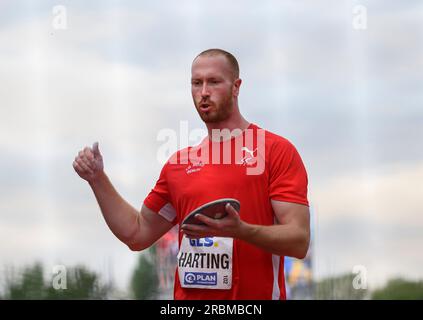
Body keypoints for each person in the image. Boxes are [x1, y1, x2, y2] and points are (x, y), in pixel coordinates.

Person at [73, 48, 310, 300]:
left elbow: (298, 240)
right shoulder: (180, 165)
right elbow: (137, 233)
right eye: (197, 83)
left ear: (236, 87)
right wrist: (97, 179)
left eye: (214, 82)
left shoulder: (274, 151)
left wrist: (241, 230)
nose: (204, 91)